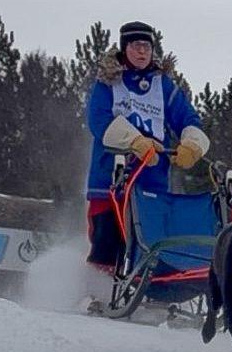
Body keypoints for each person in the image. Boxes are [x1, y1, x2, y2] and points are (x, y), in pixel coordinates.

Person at [84, 21, 210, 270]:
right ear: (124, 48)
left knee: (151, 238)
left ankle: (152, 284)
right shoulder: (108, 83)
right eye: (136, 45)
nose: (142, 52)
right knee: (107, 236)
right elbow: (99, 121)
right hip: (111, 178)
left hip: (151, 181)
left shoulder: (162, 86)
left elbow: (187, 118)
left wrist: (192, 145)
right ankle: (96, 288)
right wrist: (135, 142)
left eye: (147, 46)